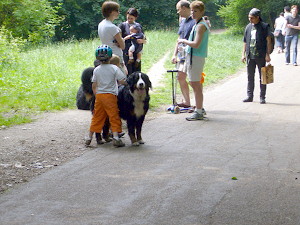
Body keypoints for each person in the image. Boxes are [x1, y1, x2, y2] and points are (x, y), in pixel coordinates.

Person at [85, 45, 126, 147]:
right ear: (110, 56)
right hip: (110, 96)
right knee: (114, 116)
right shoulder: (114, 68)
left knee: (97, 117)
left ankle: (89, 137)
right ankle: (116, 137)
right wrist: (127, 84)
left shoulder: (96, 69)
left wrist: (97, 95)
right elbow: (122, 80)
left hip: (99, 96)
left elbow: (94, 85)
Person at [178, 0, 209, 121]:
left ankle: (199, 111)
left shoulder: (201, 25)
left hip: (196, 58)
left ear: (201, 12)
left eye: (195, 11)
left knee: (195, 84)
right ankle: (200, 108)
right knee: (195, 84)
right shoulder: (197, 23)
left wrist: (183, 41)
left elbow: (196, 44)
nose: (193, 13)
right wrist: (185, 48)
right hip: (192, 56)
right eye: (192, 11)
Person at [241, 8, 273, 104]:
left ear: (257, 17)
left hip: (261, 55)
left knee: (263, 77)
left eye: (252, 18)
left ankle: (262, 97)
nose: (250, 20)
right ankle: (249, 96)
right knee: (250, 77)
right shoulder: (248, 27)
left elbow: (268, 41)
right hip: (250, 56)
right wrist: (243, 54)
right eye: (249, 18)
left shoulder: (264, 26)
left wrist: (267, 54)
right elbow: (245, 41)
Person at [172, 0, 196, 108]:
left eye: (179, 9)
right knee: (180, 77)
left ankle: (198, 104)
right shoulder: (182, 21)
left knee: (193, 80)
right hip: (181, 55)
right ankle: (187, 102)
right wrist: (174, 54)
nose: (178, 12)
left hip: (192, 55)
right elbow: (179, 39)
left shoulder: (194, 21)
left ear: (184, 8)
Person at [98, 1, 128, 75]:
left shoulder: (101, 24)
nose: (118, 12)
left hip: (105, 55)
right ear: (111, 12)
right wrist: (122, 40)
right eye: (117, 10)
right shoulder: (113, 28)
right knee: (122, 78)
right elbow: (123, 46)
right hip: (116, 57)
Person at [119, 8, 146, 74]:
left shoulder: (138, 26)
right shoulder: (122, 26)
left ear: (135, 18)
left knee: (137, 72)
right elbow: (119, 39)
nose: (129, 20)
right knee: (127, 72)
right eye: (128, 18)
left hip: (136, 51)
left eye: (131, 18)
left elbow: (145, 39)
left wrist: (142, 41)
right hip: (126, 52)